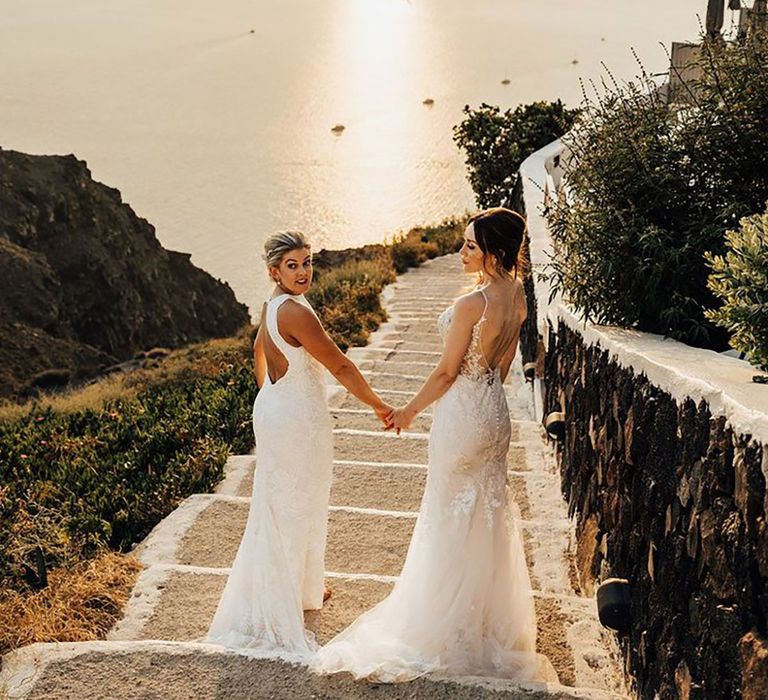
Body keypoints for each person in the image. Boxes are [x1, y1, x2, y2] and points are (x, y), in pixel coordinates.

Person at [312, 208, 538, 681]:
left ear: (494, 252)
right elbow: (505, 359)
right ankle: (486, 624)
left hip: (462, 416)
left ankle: (446, 623)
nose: (461, 253)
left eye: (470, 246)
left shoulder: (471, 305)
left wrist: (408, 411)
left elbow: (445, 372)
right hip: (494, 412)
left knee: (447, 514)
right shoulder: (517, 294)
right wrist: (486, 395)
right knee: (486, 513)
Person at [206, 231, 392, 658]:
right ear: (274, 271)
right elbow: (341, 365)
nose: (304, 271)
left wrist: (271, 394)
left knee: (286, 501)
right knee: (296, 503)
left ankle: (303, 587)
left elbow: (258, 350)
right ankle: (284, 599)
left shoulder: (272, 304)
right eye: (293, 265)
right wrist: (380, 406)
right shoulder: (296, 312)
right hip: (295, 419)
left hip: (276, 409)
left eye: (307, 262)